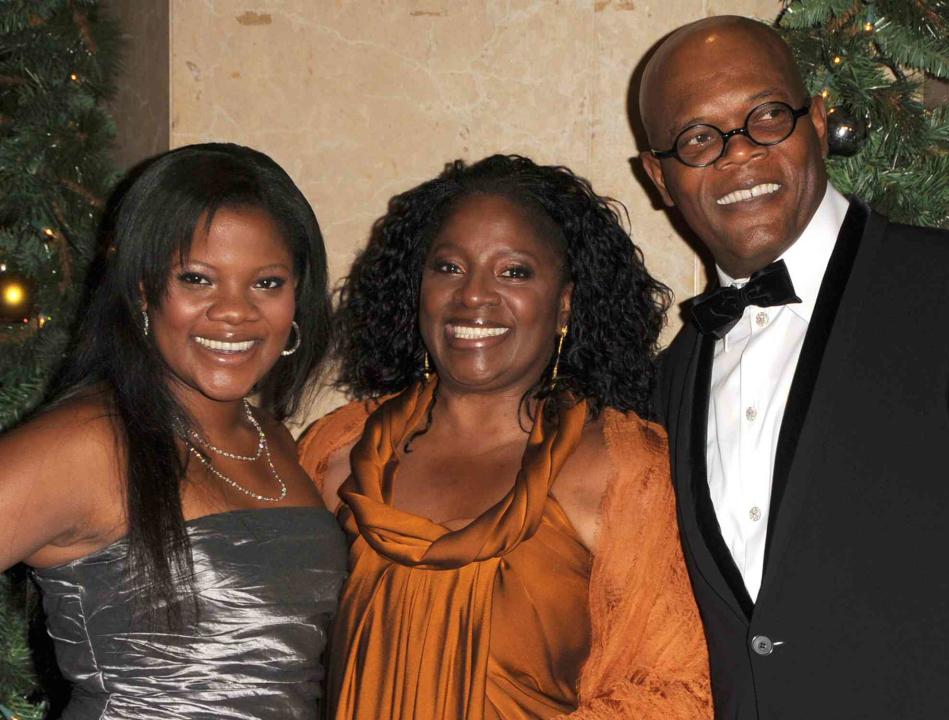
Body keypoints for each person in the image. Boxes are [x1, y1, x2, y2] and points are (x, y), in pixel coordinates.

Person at [298, 154, 712, 719]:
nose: (473, 296)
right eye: (448, 268)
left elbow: (671, 692)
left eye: (513, 271)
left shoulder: (625, 467)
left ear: (565, 301)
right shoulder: (336, 449)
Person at [639, 15, 949, 720]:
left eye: (765, 117)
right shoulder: (668, 380)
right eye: (699, 138)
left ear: (816, 121)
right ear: (660, 178)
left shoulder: (946, 292)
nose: (738, 156)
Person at [0, 143, 346, 719]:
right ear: (141, 289)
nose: (234, 312)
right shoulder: (89, 443)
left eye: (266, 283)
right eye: (197, 279)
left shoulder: (278, 440)